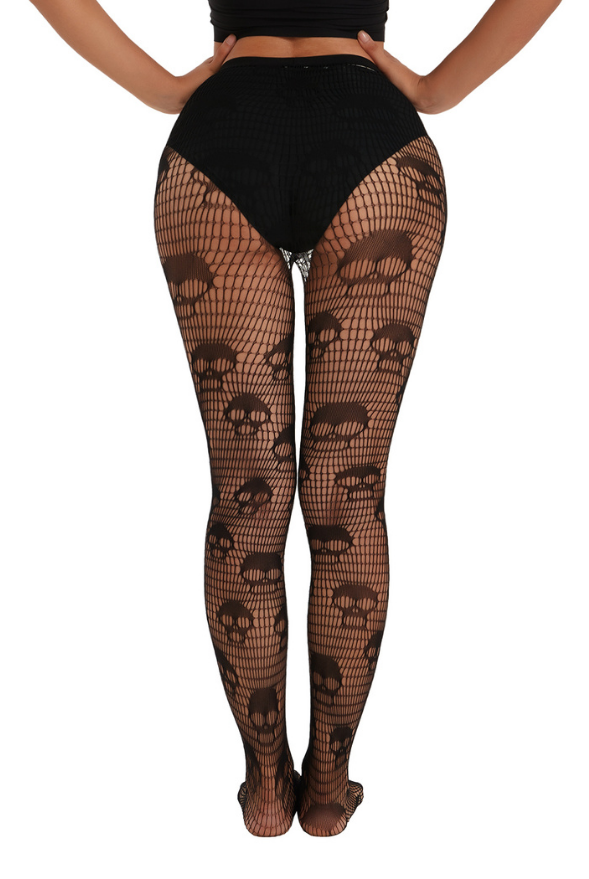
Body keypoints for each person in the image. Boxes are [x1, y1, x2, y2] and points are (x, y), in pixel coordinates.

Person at [29, 0, 563, 839]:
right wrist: (436, 90)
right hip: (373, 146)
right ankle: (328, 784)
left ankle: (265, 784)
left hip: (218, 143)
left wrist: (162, 89)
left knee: (246, 498)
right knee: (347, 496)